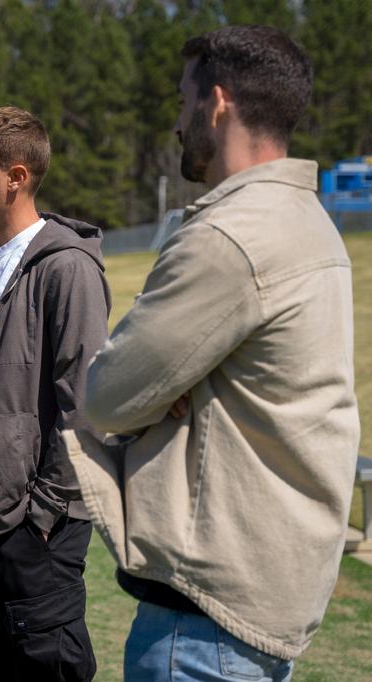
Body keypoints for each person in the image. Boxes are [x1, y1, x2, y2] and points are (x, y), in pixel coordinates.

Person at [64, 25, 360, 681]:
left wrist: (154, 392)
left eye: (181, 100)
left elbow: (108, 395)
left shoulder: (231, 235)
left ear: (216, 104)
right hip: (263, 595)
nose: (176, 120)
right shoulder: (311, 224)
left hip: (204, 624)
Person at [0, 106, 111, 680]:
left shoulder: (66, 268)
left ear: (16, 177)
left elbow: (86, 408)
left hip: (29, 535)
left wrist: (43, 517)